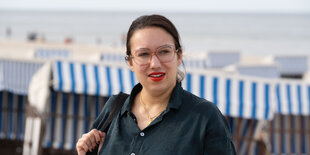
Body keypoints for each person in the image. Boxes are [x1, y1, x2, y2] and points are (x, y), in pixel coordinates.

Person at [76, 14, 236, 155]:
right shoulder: (114, 107)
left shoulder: (205, 117)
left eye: (164, 51)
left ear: (179, 56)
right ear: (131, 62)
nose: (155, 63)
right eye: (143, 54)